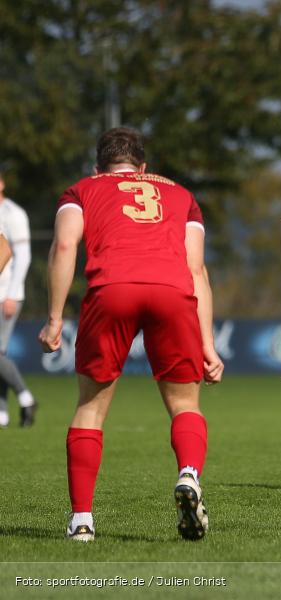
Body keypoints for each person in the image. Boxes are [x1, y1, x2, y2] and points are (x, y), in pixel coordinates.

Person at [38, 128, 224, 542]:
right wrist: (207, 344)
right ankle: (189, 475)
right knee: (184, 403)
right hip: (172, 293)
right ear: (143, 168)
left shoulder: (82, 190)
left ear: (97, 167)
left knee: (90, 407)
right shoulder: (181, 195)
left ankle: (82, 521)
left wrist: (54, 318)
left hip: (112, 289)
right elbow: (197, 271)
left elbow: (65, 246)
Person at [0, 170, 37, 428]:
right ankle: (4, 412)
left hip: (6, 294)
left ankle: (25, 398)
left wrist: (12, 294)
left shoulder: (14, 214)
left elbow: (18, 255)